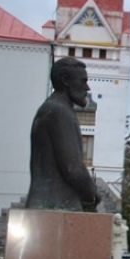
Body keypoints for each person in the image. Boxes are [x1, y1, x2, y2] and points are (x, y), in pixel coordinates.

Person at [25, 57, 98, 211]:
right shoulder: (59, 112)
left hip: (51, 207)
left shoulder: (52, 109)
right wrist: (93, 193)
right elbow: (73, 169)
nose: (87, 87)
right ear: (65, 80)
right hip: (55, 207)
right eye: (83, 81)